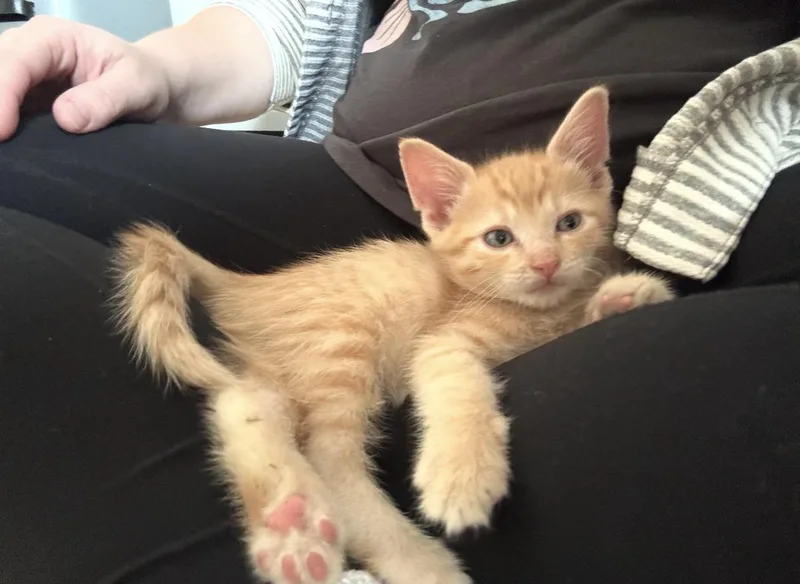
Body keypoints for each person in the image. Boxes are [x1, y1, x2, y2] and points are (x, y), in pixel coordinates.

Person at [1, 1, 798, 583]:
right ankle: (301, 465)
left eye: (567, 224)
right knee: (20, 157)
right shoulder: (453, 260)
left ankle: (261, 441)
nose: (546, 259)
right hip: (350, 184)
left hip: (721, 216)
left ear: (596, 183)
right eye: (509, 240)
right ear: (440, 212)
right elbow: (299, 17)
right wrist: (161, 66)